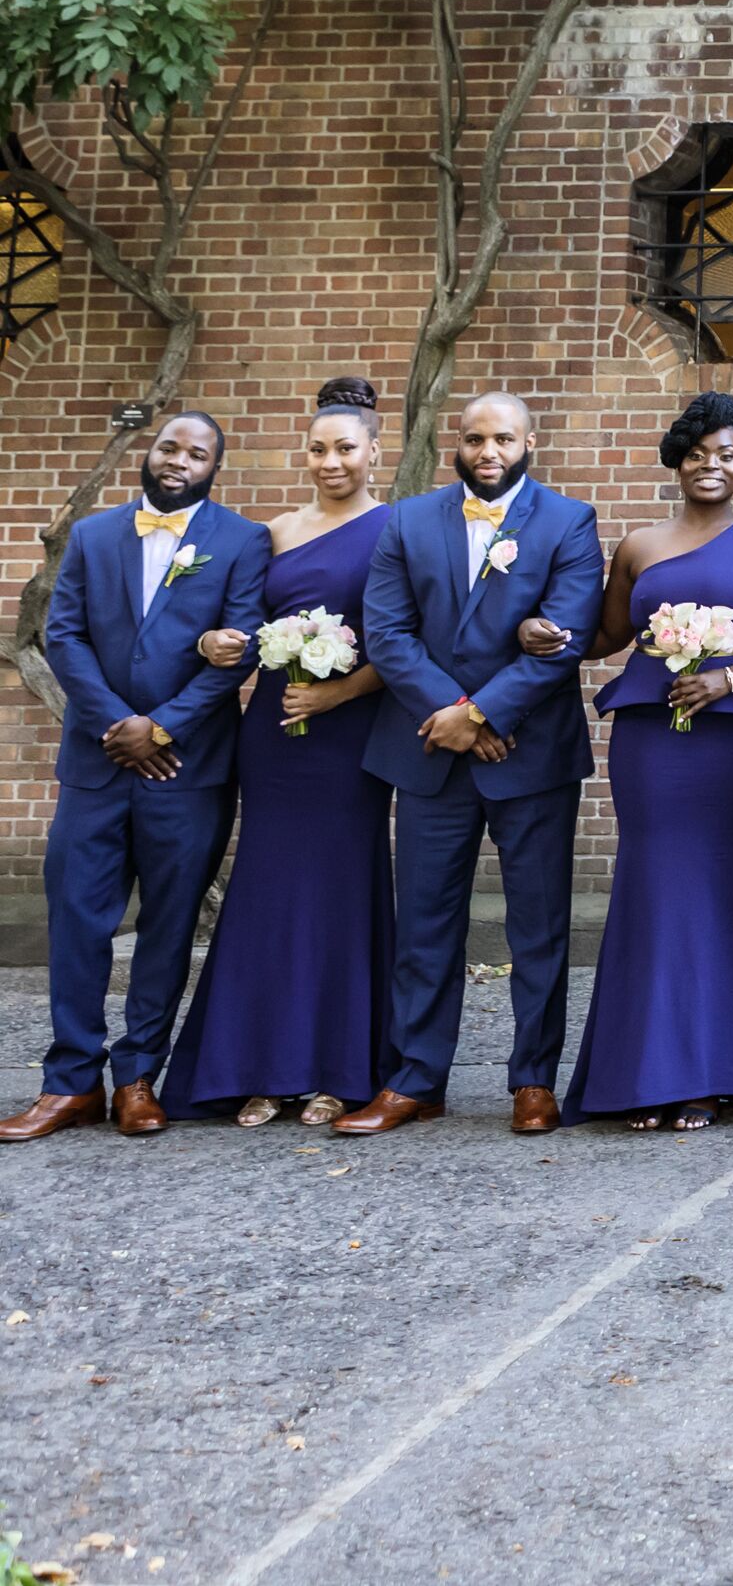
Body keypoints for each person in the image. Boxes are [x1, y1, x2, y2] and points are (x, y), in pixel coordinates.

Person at [333, 394, 602, 1139]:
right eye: (476, 438)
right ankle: (415, 1079)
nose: (489, 451)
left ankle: (533, 1081)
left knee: (539, 927)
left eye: (504, 438)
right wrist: (453, 716)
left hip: (531, 755)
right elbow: (387, 632)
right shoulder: (408, 521)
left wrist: (481, 715)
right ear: (457, 444)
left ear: (529, 441)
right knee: (424, 923)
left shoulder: (569, 521)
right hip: (430, 752)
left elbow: (567, 636)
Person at [0, 412, 271, 1143]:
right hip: (95, 765)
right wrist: (117, 724)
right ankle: (69, 1083)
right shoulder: (92, 536)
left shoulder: (243, 542)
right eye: (169, 447)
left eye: (197, 453)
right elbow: (64, 635)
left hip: (187, 770)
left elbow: (241, 652)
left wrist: (162, 726)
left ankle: (139, 1078)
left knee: (169, 927)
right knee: (79, 923)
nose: (179, 460)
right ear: (150, 455)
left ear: (216, 466)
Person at [562, 393, 733, 1129]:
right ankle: (645, 1071)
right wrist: (539, 626)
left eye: (726, 454)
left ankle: (717, 1072)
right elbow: (603, 637)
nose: (712, 466)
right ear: (678, 462)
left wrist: (728, 677)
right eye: (699, 454)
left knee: (722, 888)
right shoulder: (638, 545)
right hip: (651, 742)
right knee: (655, 887)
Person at [163, 380, 398, 1127]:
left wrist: (339, 693)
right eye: (319, 449)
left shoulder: (398, 531)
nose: (331, 461)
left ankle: (340, 1068)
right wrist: (214, 642)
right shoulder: (270, 534)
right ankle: (257, 1067)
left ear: (374, 451)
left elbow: (401, 639)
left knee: (341, 892)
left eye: (346, 448)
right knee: (265, 892)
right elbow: (225, 623)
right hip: (273, 733)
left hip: (348, 733)